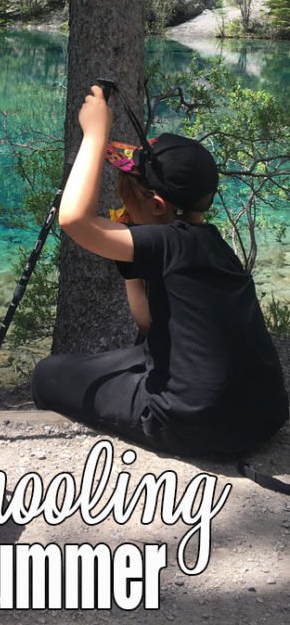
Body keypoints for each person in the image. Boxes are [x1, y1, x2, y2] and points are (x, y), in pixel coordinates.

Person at [32, 85, 288, 457]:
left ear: (155, 205)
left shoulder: (166, 242)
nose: (120, 203)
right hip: (264, 414)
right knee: (140, 352)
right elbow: (148, 321)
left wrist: (95, 134)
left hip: (197, 426)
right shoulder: (210, 242)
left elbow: (74, 220)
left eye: (125, 195)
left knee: (48, 374)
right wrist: (134, 254)